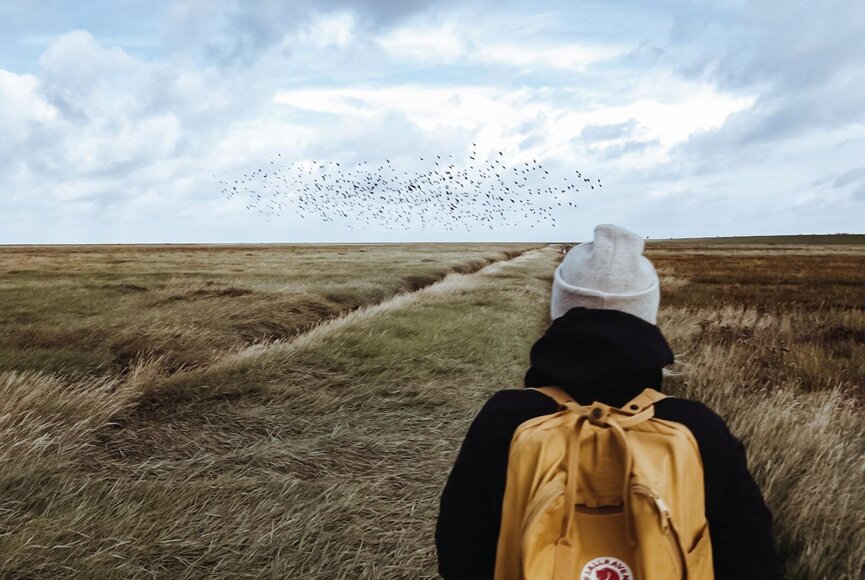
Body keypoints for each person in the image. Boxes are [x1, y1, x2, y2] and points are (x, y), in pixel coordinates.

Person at [435, 224, 783, 579]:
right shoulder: (696, 427)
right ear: (648, 316)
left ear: (559, 311)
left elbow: (461, 553)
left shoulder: (505, 418)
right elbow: (752, 560)